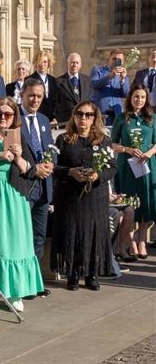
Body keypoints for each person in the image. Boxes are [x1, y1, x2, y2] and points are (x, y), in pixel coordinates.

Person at [0, 98, 43, 313]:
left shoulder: (19, 137)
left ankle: (16, 292)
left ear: (15, 117)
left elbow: (30, 170)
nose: (4, 117)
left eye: (9, 114)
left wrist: (18, 157)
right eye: (0, 113)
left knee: (17, 243)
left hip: (15, 195)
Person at [51, 101, 117, 290]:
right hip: (71, 195)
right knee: (73, 233)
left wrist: (98, 175)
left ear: (94, 118)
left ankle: (92, 274)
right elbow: (54, 167)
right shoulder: (64, 139)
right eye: (80, 114)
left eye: (88, 115)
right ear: (74, 116)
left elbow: (113, 167)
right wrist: (70, 172)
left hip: (95, 196)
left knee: (93, 234)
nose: (83, 118)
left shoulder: (103, 140)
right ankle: (73, 273)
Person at [111, 83, 156, 260]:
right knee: (130, 201)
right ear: (130, 98)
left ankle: (142, 239)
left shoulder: (151, 118)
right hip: (127, 166)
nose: (139, 100)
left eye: (142, 97)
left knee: (147, 200)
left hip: (148, 165)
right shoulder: (121, 118)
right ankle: (130, 240)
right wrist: (127, 150)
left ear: (146, 100)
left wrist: (149, 153)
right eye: (136, 96)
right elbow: (112, 144)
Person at [19, 78, 55, 295]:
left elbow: (49, 148)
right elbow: (15, 153)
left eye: (39, 96)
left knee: (38, 236)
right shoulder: (13, 118)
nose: (35, 100)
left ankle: (34, 281)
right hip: (25, 185)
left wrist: (51, 164)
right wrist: (34, 168)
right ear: (22, 94)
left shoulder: (42, 119)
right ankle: (22, 283)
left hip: (44, 188)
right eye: (31, 95)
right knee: (22, 236)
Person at [90, 48, 130, 125]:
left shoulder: (124, 75)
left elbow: (126, 94)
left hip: (116, 112)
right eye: (114, 58)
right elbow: (94, 84)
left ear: (122, 62)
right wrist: (110, 76)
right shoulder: (98, 70)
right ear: (109, 59)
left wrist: (123, 80)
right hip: (101, 111)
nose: (116, 61)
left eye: (119, 59)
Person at [55, 53, 92, 124]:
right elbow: (56, 103)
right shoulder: (59, 82)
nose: (75, 65)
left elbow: (90, 100)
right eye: (72, 62)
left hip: (84, 120)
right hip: (66, 121)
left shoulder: (87, 80)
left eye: (77, 63)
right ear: (67, 64)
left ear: (80, 65)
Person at [28, 48, 59, 124]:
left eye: (45, 62)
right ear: (36, 63)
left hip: (52, 121)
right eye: (40, 62)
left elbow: (57, 101)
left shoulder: (53, 80)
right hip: (36, 118)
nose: (42, 64)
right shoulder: (29, 80)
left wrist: (55, 117)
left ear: (49, 63)